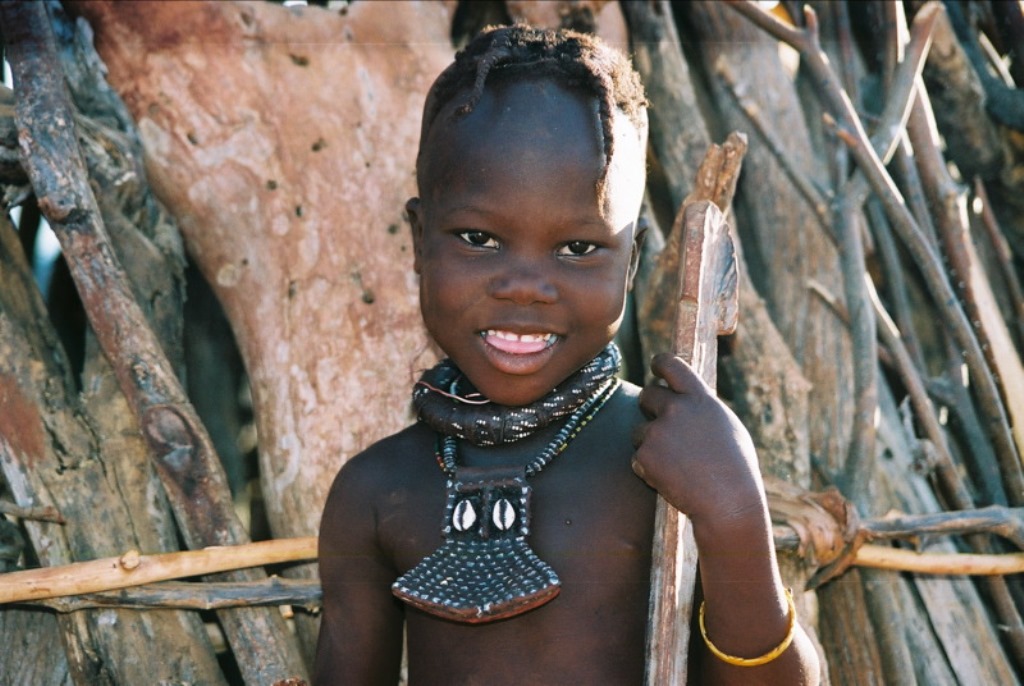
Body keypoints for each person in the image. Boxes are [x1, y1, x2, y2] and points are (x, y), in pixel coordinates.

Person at [315, 24, 820, 685]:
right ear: (418, 241)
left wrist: (733, 516)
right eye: (478, 238)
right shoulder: (375, 492)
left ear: (633, 261)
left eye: (579, 249)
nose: (525, 285)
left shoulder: (670, 462)